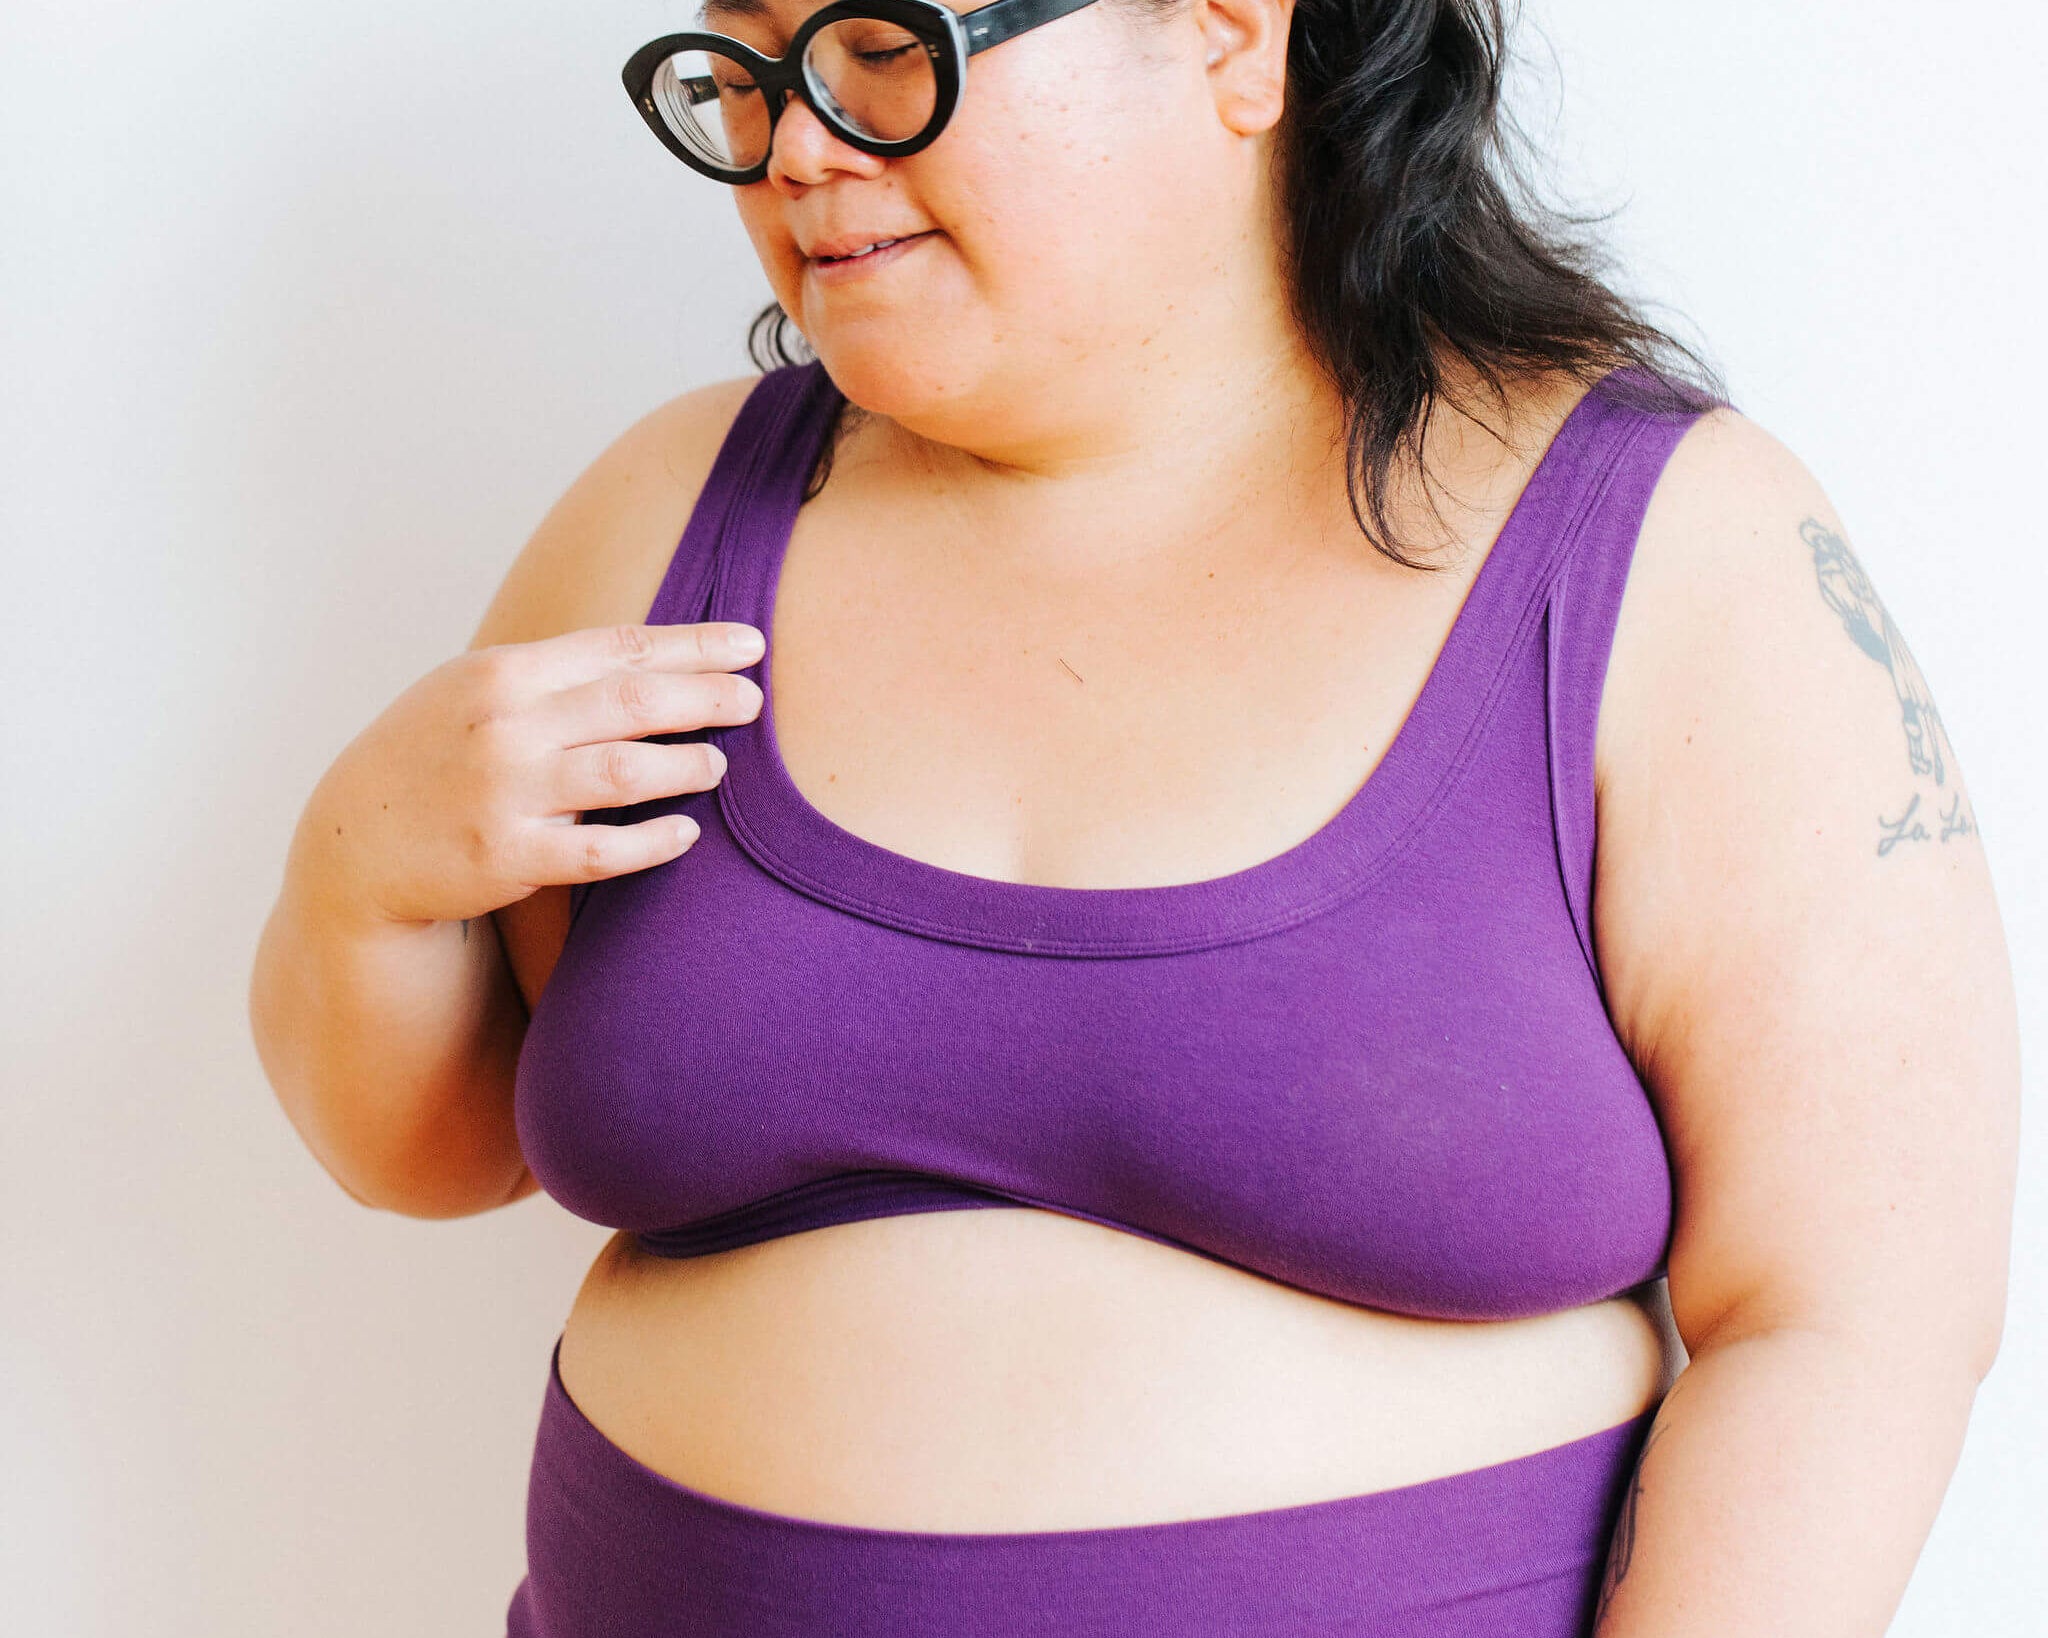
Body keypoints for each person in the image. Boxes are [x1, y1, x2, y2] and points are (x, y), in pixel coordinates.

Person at [246, 0, 2020, 1632]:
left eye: (881, 46)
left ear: (1234, 38)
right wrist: (363, 871)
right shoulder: (666, 518)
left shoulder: (1667, 552)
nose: (797, 144)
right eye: (745, 70)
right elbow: (441, 1144)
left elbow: (1846, 1319)